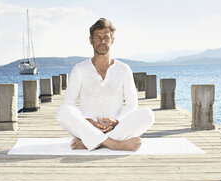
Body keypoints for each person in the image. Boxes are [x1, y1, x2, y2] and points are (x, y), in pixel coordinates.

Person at [56, 18, 155, 151]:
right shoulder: (79, 69)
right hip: (87, 127)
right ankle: (115, 145)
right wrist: (87, 121)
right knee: (63, 111)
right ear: (91, 40)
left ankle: (90, 143)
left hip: (116, 128)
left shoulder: (124, 69)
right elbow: (69, 102)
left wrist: (116, 121)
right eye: (97, 37)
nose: (102, 41)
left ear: (112, 40)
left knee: (148, 115)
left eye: (106, 37)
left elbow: (132, 104)